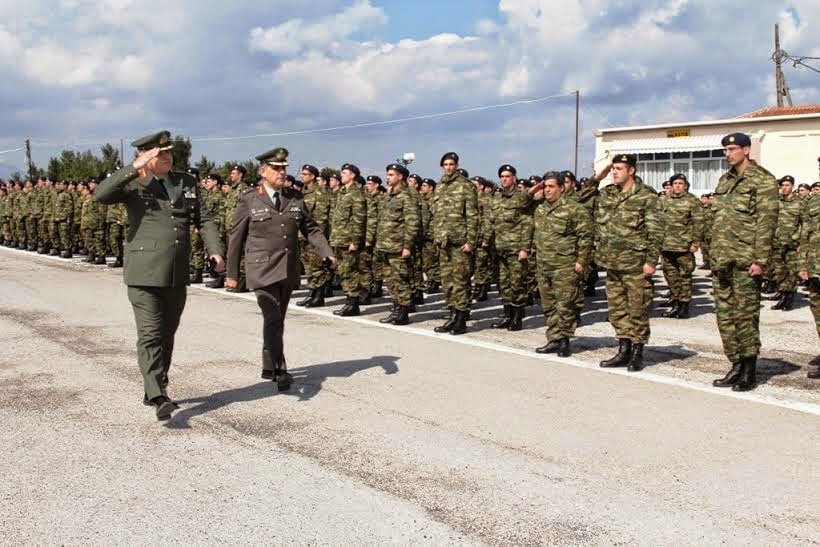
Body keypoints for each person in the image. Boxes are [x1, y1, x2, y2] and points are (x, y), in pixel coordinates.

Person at [95, 130, 225, 421]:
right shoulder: (132, 182)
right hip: (144, 273)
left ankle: (153, 383)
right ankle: (157, 396)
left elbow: (203, 219)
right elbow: (101, 194)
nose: (167, 158)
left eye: (169, 153)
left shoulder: (185, 182)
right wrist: (134, 167)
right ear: (146, 156)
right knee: (151, 335)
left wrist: (216, 250)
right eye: (160, 154)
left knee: (167, 334)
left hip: (176, 271)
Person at [226, 147, 335, 389]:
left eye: (284, 168)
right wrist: (232, 275)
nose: (281, 172)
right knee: (272, 315)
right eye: (276, 168)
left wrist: (326, 252)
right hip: (261, 269)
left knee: (277, 319)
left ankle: (268, 364)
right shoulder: (248, 198)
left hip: (287, 268)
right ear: (263, 171)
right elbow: (236, 237)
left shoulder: (295, 197)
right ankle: (279, 369)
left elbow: (311, 229)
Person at [710, 133, 778, 392]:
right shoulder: (725, 180)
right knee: (726, 317)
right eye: (725, 150)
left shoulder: (762, 180)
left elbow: (766, 223)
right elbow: (717, 221)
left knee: (746, 316)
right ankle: (736, 364)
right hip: (722, 260)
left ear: (747, 150)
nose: (728, 154)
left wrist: (760, 259)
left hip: (745, 260)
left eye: (732, 149)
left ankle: (749, 370)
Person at [596, 154, 663, 372]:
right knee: (617, 311)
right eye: (613, 168)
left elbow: (656, 232)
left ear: (631, 170)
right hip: (613, 264)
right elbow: (582, 196)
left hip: (636, 264)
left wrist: (651, 262)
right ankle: (623, 349)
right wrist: (600, 175)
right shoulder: (607, 194)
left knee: (638, 310)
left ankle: (637, 353)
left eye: (618, 168)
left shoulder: (646, 196)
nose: (614, 172)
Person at [532, 171, 593, 356]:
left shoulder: (575, 209)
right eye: (545, 186)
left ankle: (564, 340)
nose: (547, 190)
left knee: (565, 305)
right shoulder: (540, 209)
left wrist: (581, 262)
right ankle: (553, 339)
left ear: (561, 187)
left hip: (565, 265)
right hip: (544, 265)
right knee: (549, 305)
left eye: (551, 186)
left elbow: (586, 237)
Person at [432, 152, 478, 335]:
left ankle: (461, 318)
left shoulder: (466, 186)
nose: (449, 167)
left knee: (461, 281)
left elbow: (473, 216)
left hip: (460, 242)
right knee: (447, 281)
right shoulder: (439, 186)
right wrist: (437, 236)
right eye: (446, 164)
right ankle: (452, 315)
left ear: (457, 165)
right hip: (444, 242)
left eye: (452, 164)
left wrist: (471, 241)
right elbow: (437, 215)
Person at [485, 164, 533, 331]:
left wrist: (525, 249)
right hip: (500, 249)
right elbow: (491, 222)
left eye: (507, 176)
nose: (504, 179)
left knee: (517, 284)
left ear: (514, 177)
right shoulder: (497, 198)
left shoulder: (521, 197)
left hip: (516, 249)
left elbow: (527, 224)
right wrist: (486, 241)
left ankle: (517, 318)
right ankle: (507, 316)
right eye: (502, 176)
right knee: (503, 284)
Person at [376, 164, 420, 325]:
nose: (388, 177)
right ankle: (396, 309)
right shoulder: (389, 196)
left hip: (398, 247)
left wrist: (407, 246)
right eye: (388, 175)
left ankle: (403, 312)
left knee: (401, 280)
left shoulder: (407, 196)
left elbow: (412, 223)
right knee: (391, 281)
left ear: (400, 177)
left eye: (391, 175)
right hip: (385, 246)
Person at [659, 173, 703, 319]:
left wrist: (696, 243)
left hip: (684, 246)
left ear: (685, 186)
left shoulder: (692, 201)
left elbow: (698, 223)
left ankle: (684, 306)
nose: (677, 186)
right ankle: (676, 302)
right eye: (675, 183)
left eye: (680, 183)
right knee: (671, 276)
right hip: (666, 246)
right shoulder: (665, 201)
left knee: (685, 277)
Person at [769, 175, 805, 311]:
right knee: (779, 270)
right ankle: (783, 294)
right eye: (782, 185)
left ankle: (789, 298)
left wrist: (800, 240)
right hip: (777, 242)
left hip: (792, 243)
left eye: (787, 185)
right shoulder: (776, 202)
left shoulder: (800, 203)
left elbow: (804, 223)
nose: (784, 188)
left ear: (792, 186)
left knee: (791, 271)